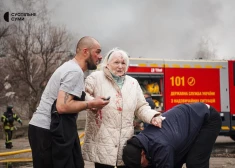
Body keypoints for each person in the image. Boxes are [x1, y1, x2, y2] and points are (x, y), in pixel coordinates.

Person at [28, 36, 109, 168]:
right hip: (48, 131)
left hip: (45, 130)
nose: (100, 57)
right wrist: (91, 104)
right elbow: (63, 106)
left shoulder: (69, 67)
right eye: (97, 51)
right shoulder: (74, 72)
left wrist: (89, 102)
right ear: (85, 51)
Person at [82, 48, 165, 168]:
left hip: (125, 144)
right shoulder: (95, 78)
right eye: (116, 62)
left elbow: (141, 107)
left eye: (123, 63)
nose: (120, 66)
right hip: (102, 142)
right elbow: (82, 95)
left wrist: (153, 117)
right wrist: (92, 103)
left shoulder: (133, 83)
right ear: (107, 63)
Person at [122, 102, 222, 168]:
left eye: (140, 165)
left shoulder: (162, 146)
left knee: (195, 163)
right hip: (186, 122)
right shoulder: (141, 141)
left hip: (207, 119)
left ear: (142, 153)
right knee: (174, 161)